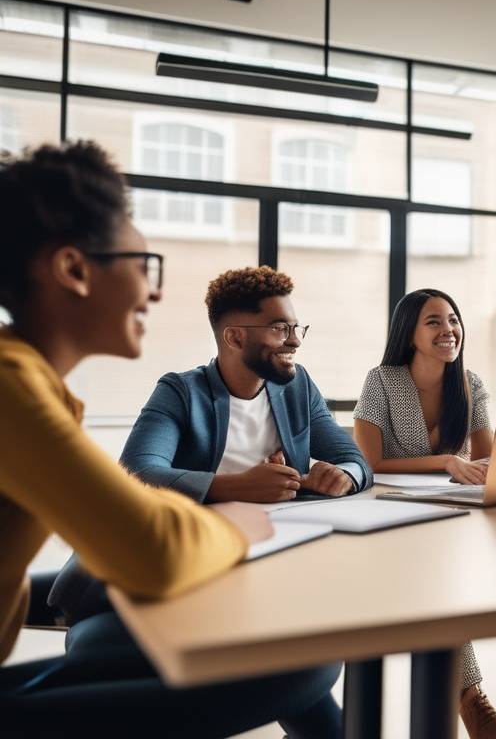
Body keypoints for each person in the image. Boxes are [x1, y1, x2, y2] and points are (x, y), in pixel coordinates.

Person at [0, 141, 342, 737]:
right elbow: (153, 544)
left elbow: (125, 516)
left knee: (301, 654)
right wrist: (237, 519)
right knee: (304, 664)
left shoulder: (27, 382)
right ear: (75, 270)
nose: (153, 291)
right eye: (143, 264)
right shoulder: (12, 388)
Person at [49, 265, 372, 625]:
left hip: (274, 548)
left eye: (296, 328)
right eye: (280, 328)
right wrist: (238, 487)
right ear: (234, 338)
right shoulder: (180, 391)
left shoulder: (297, 386)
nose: (294, 340)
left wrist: (343, 475)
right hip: (185, 555)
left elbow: (353, 457)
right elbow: (138, 472)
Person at [353, 288, 496, 739]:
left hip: (453, 517)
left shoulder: (471, 384)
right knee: (438, 584)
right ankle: (473, 702)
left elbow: (488, 458)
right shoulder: (382, 380)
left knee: (447, 579)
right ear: (410, 331)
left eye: (454, 320)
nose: (449, 330)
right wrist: (446, 460)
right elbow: (371, 462)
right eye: (435, 322)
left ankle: (469, 702)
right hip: (388, 515)